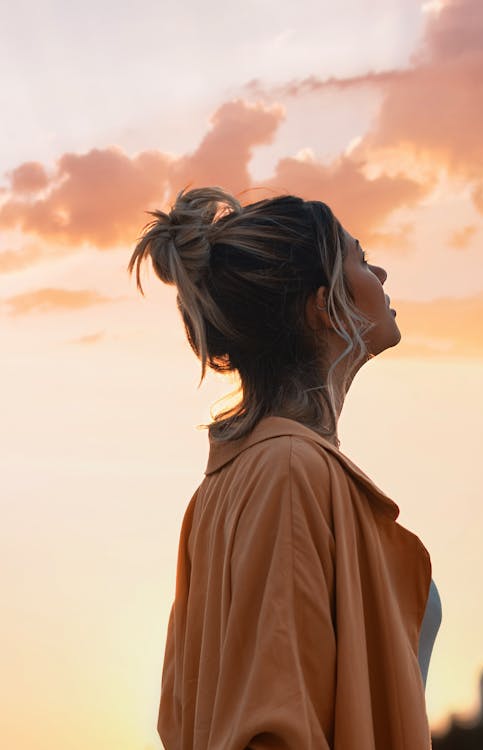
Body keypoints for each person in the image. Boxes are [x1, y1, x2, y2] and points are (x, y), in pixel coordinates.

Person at [128, 187, 442, 750]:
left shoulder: (232, 482)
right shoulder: (289, 469)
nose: (383, 272)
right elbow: (276, 725)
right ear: (324, 305)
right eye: (361, 259)